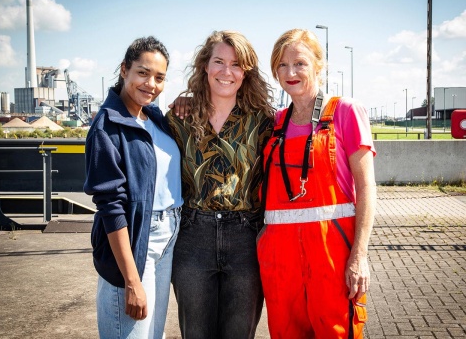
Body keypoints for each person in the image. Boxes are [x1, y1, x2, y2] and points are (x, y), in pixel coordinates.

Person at [257, 28, 376, 338]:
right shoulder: (274, 123)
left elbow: (366, 188)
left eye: (300, 63)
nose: (290, 72)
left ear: (318, 66)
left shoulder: (345, 112)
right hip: (281, 267)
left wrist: (359, 257)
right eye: (281, 65)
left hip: (332, 262)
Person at [166, 30, 275, 339]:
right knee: (195, 333)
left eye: (237, 64)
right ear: (205, 66)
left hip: (246, 239)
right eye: (219, 61)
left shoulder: (263, 120)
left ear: (246, 72)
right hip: (193, 237)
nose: (227, 72)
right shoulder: (178, 118)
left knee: (240, 333)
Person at [84, 36, 183, 339]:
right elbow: (111, 207)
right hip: (138, 239)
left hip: (170, 236)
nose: (151, 83)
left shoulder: (153, 117)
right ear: (124, 69)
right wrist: (131, 280)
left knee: (153, 334)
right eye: (143, 72)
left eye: (159, 77)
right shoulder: (106, 127)